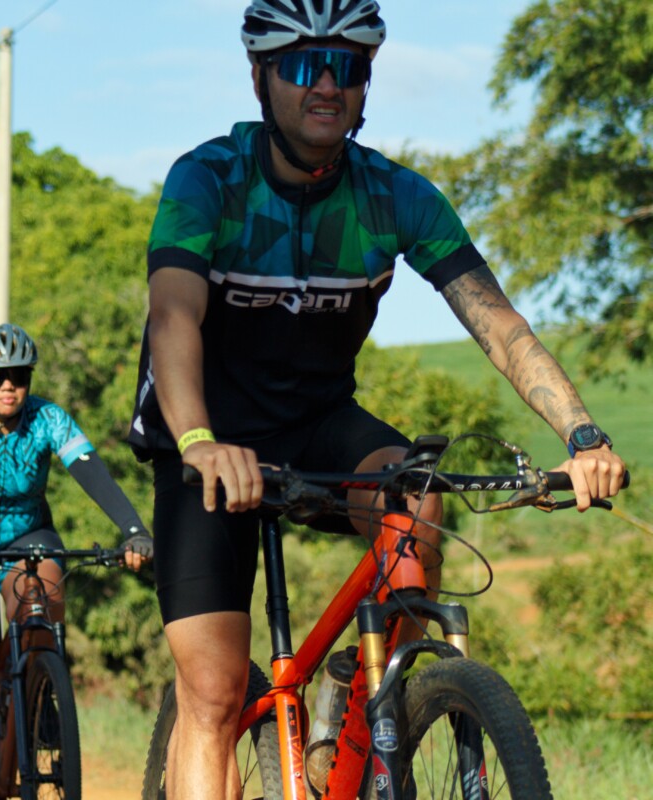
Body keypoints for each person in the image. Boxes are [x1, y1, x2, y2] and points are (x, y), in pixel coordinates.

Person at [126, 2, 628, 797]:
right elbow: (173, 316)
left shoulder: (395, 196)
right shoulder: (210, 178)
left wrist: (582, 434)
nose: (328, 84)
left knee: (418, 499)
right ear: (260, 78)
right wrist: (197, 440)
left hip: (319, 422)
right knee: (215, 695)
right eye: (304, 64)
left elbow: (499, 326)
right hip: (206, 438)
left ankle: (358, 700)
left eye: (350, 66)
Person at [0, 323, 154, 800]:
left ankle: (40, 687)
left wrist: (133, 530)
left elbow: (90, 471)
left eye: (18, 375)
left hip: (26, 535)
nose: (7, 385)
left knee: (44, 604)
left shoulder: (47, 418)